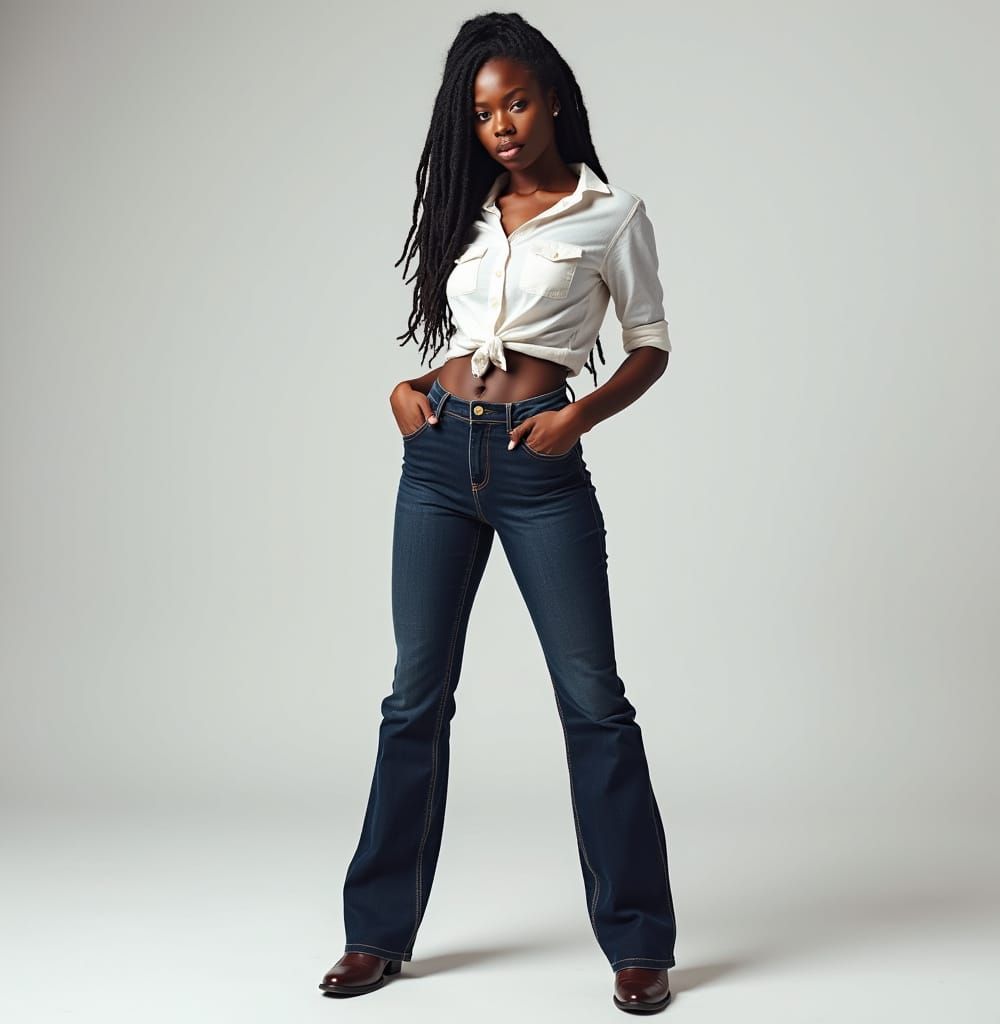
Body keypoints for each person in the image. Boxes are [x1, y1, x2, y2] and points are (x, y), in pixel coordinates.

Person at [319, 12, 676, 1014]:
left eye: (515, 102)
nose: (502, 126)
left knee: (593, 700)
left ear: (551, 97)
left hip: (535, 465)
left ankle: (639, 943)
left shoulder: (612, 213)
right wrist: (405, 394)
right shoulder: (469, 210)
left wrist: (579, 416)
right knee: (413, 699)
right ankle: (375, 933)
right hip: (435, 458)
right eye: (483, 114)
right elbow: (459, 331)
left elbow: (648, 342)